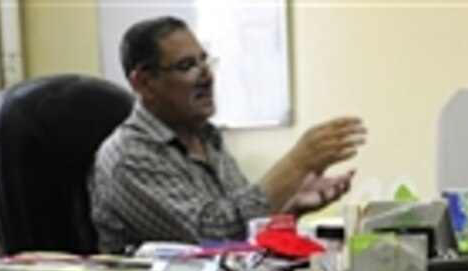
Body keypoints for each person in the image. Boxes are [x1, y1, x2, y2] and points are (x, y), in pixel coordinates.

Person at [90, 16, 366, 253]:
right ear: (144, 83)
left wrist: (292, 207)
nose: (207, 76)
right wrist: (296, 164)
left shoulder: (208, 138)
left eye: (204, 61)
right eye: (187, 66)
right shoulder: (127, 155)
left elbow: (242, 230)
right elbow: (212, 235)